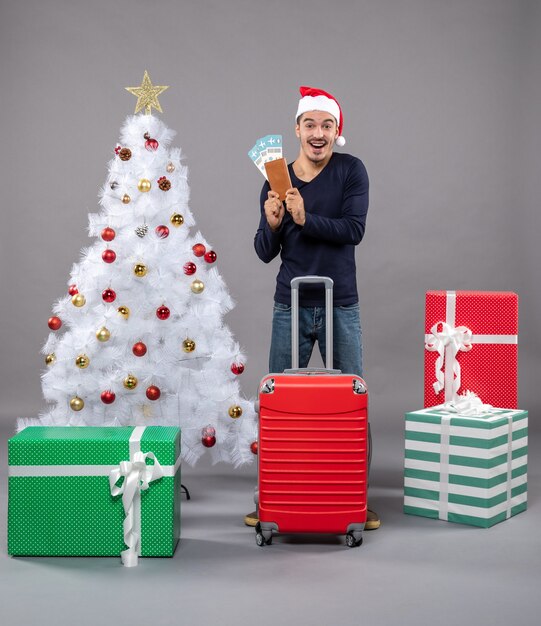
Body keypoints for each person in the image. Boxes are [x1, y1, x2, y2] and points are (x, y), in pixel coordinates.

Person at [246, 85, 379, 530]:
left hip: (340, 301)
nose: (318, 133)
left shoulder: (351, 171)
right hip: (291, 303)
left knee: (350, 403)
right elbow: (265, 252)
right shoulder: (276, 175)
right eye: (310, 125)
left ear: (336, 131)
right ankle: (271, 497)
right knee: (278, 403)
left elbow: (353, 230)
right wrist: (272, 224)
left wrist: (306, 219)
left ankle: (356, 498)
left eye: (327, 125)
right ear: (297, 129)